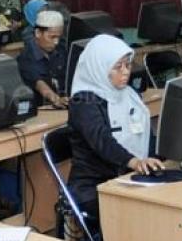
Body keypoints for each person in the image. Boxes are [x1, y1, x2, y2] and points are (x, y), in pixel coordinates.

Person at [67, 35, 163, 219]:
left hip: (128, 176)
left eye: (128, 65)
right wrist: (134, 162)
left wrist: (153, 158)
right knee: (150, 211)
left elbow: (144, 133)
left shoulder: (129, 94)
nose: (126, 72)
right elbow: (102, 141)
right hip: (94, 186)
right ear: (100, 68)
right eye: (118, 67)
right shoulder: (83, 102)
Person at [17, 10, 69, 108]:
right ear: (38, 33)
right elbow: (39, 83)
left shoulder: (61, 49)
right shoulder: (26, 57)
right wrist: (56, 99)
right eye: (52, 37)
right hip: (39, 108)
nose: (56, 42)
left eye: (58, 37)